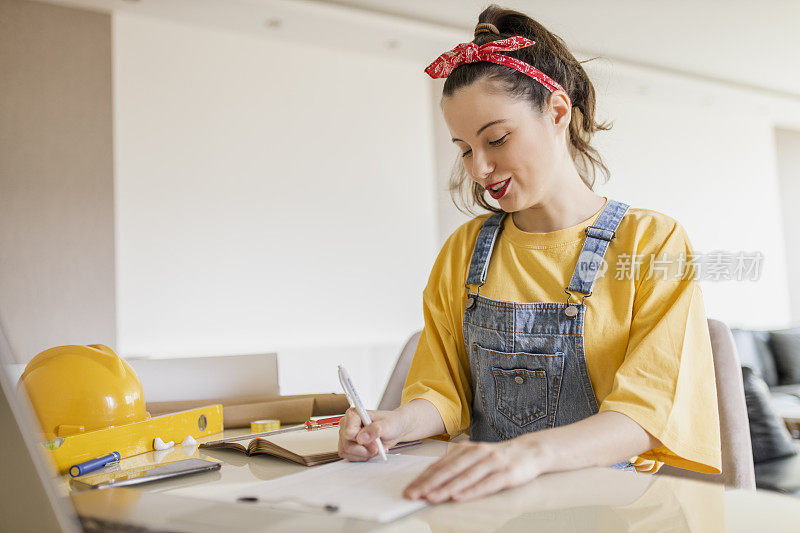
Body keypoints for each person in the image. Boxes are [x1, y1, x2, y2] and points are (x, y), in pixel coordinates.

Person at [338, 4, 721, 503]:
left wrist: (526, 455)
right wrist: (394, 424)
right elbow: (442, 393)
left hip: (611, 507)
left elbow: (648, 415)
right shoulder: (464, 250)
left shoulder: (652, 242)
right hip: (483, 501)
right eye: (464, 149)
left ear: (558, 112)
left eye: (496, 139)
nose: (479, 168)